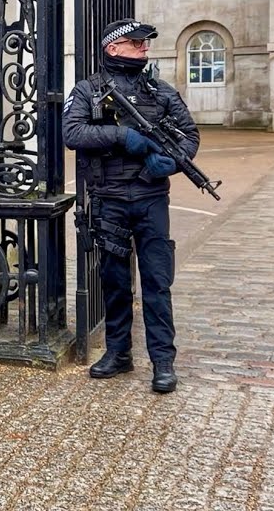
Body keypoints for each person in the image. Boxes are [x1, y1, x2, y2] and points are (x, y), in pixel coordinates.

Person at [63, 19, 200, 393]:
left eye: (145, 44)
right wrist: (123, 135)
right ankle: (118, 353)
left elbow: (189, 135)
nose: (144, 48)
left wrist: (171, 163)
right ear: (113, 48)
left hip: (151, 199)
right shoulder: (88, 91)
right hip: (109, 200)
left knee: (157, 282)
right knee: (116, 282)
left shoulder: (160, 91)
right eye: (135, 43)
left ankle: (162, 362)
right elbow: (72, 133)